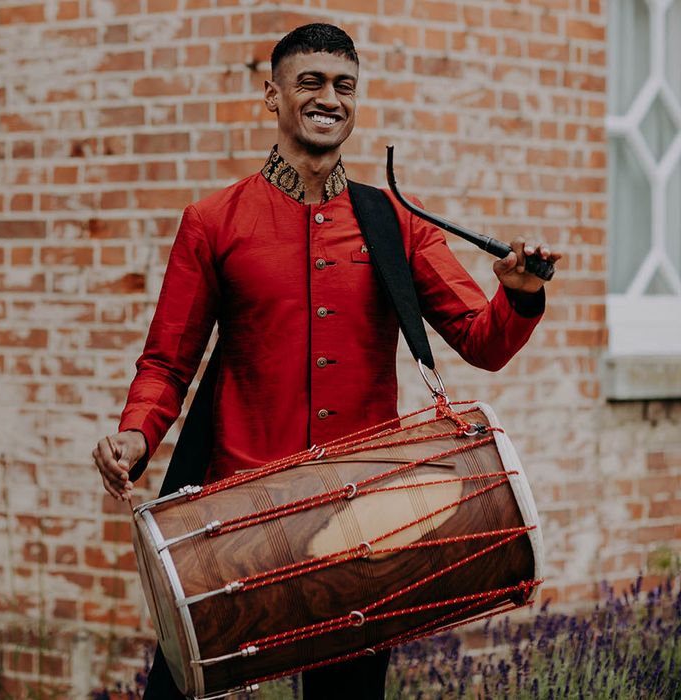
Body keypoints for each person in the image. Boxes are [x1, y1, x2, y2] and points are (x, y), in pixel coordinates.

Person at [92, 23, 561, 700]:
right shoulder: (214, 220)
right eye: (309, 81)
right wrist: (134, 435)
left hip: (362, 520)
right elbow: (167, 362)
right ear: (273, 96)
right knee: (181, 688)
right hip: (237, 519)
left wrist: (517, 295)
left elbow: (480, 341)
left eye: (344, 85)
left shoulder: (395, 222)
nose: (329, 98)